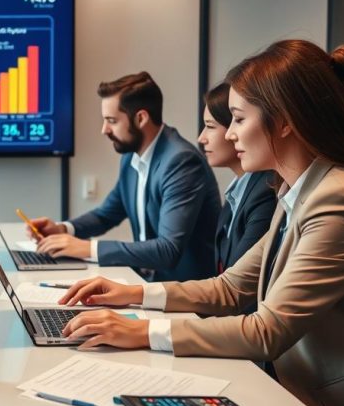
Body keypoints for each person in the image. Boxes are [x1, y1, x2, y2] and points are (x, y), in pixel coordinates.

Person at [57, 41, 344, 406]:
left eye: (237, 119)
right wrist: (132, 293)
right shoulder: (296, 193)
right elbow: (232, 288)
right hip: (299, 404)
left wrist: (142, 331)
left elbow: (267, 330)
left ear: (285, 121)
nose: (227, 135)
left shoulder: (342, 200)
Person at [30, 72, 221, 281]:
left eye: (111, 121)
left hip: (183, 295)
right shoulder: (132, 157)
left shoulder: (180, 162)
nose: (104, 130)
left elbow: (167, 250)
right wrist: (63, 229)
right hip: (144, 282)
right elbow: (107, 214)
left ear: (140, 118)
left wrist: (88, 248)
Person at [198, 82, 276, 276]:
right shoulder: (239, 190)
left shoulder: (266, 190)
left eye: (209, 127)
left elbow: (237, 285)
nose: (201, 138)